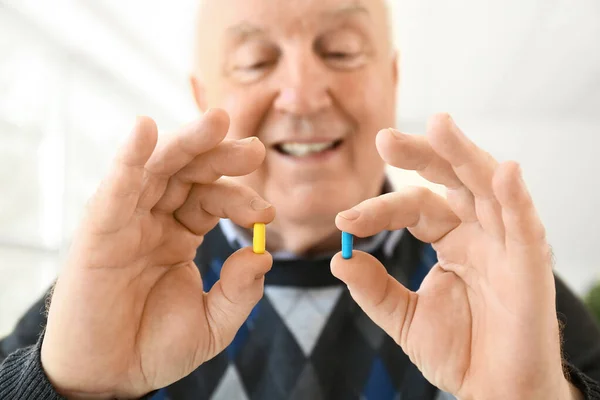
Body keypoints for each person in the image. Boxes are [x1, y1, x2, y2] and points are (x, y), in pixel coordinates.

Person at [2, 0, 600, 398]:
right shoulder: (116, 283)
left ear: (392, 80)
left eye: (340, 51)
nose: (304, 94)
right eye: (255, 60)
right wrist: (64, 389)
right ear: (202, 94)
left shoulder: (512, 292)